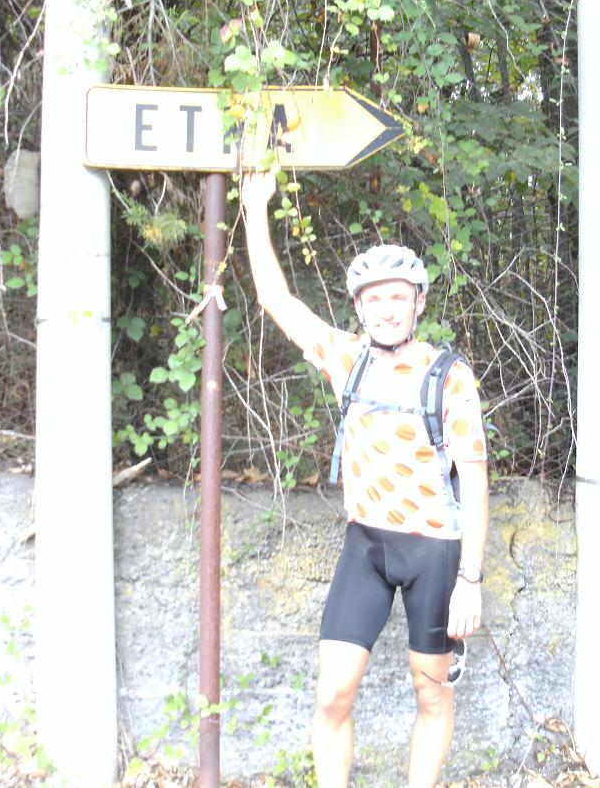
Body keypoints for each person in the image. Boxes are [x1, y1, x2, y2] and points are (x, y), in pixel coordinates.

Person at [240, 170, 489, 788]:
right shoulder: (345, 357)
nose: (386, 308)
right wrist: (253, 207)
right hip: (366, 546)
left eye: (398, 297)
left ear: (418, 303)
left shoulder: (449, 375)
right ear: (358, 307)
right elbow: (275, 299)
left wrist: (470, 580)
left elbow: (476, 478)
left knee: (431, 694)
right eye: (374, 299)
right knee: (332, 696)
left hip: (435, 552)